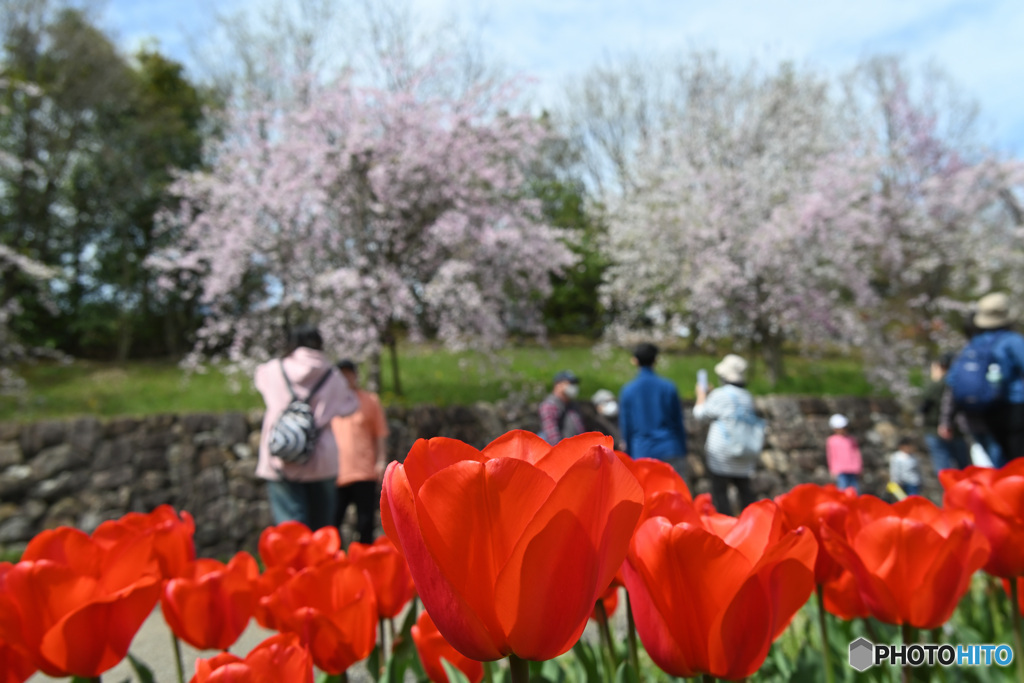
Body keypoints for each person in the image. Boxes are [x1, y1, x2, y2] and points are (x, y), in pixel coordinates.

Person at [255, 325, 359, 529]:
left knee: (290, 531)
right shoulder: (333, 374)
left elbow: (260, 382)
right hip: (322, 459)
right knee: (322, 531)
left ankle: (293, 562)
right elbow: (350, 405)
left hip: (281, 454)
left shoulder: (273, 369)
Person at [944, 292, 1024, 466]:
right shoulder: (1013, 341)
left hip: (983, 413)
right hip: (1014, 407)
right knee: (1018, 461)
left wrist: (947, 420)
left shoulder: (973, 344)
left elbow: (952, 380)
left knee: (1000, 462)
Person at [332, 359, 389, 545]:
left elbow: (380, 434)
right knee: (332, 523)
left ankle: (366, 564)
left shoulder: (370, 400)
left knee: (365, 523)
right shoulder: (328, 403)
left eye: (349, 373)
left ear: (356, 375)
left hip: (364, 471)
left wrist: (381, 461)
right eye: (342, 374)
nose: (346, 378)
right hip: (335, 472)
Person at [693, 354, 759, 514]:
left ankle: (725, 528)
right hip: (744, 453)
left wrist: (701, 396)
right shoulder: (747, 396)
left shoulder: (720, 395)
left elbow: (700, 414)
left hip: (721, 455)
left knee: (720, 494)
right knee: (745, 493)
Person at [618, 343, 688, 476]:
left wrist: (627, 454)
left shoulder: (628, 391)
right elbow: (678, 421)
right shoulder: (669, 387)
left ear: (635, 361)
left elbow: (626, 426)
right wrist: (682, 449)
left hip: (642, 451)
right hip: (670, 448)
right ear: (656, 360)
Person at [920, 352, 970, 472]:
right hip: (958, 430)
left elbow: (923, 407)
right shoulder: (961, 383)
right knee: (965, 466)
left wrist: (935, 380)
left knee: (943, 468)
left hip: (935, 430)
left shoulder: (936, 385)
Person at [539, 370, 585, 445]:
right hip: (561, 451)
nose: (573, 386)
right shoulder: (550, 405)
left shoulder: (572, 405)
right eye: (569, 383)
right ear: (558, 385)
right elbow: (552, 435)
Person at [826, 413, 862, 493]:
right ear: (834, 429)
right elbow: (831, 456)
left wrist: (859, 467)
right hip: (840, 470)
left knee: (855, 491)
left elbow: (856, 453)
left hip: (853, 469)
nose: (843, 429)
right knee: (842, 490)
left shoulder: (852, 439)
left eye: (844, 427)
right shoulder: (831, 440)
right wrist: (833, 470)